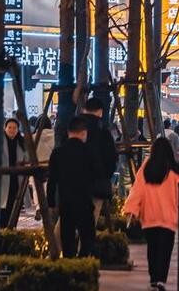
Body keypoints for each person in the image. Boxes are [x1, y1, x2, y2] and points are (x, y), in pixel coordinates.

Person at [124, 137, 179, 291]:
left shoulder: (146, 168)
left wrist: (131, 209)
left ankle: (153, 278)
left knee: (153, 249)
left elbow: (137, 190)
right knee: (165, 250)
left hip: (149, 217)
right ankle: (160, 280)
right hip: (168, 218)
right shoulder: (174, 172)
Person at [48, 117, 99, 258]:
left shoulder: (58, 152)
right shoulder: (89, 151)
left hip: (65, 200)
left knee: (67, 235)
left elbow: (52, 180)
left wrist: (51, 201)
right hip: (84, 200)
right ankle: (82, 260)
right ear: (83, 133)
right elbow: (97, 173)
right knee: (87, 234)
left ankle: (69, 261)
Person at [81, 98, 117, 223]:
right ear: (101, 111)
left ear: (84, 109)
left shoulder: (74, 127)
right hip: (97, 183)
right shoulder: (103, 131)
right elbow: (112, 158)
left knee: (67, 220)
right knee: (91, 221)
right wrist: (105, 176)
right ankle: (83, 243)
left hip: (74, 183)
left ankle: (58, 243)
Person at [0, 118, 26, 228]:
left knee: (14, 207)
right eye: (9, 127)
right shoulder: (0, 142)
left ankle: (11, 231)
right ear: (5, 128)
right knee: (3, 208)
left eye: (15, 128)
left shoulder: (21, 142)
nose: (12, 130)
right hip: (3, 179)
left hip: (16, 180)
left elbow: (26, 158)